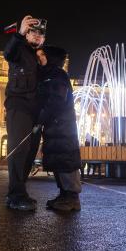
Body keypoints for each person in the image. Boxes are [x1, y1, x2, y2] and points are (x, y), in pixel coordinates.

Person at [3, 15, 46, 211]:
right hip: (18, 105)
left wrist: (44, 64)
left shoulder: (39, 57)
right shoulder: (19, 50)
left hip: (35, 111)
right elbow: (8, 53)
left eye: (40, 33)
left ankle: (20, 191)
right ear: (26, 33)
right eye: (33, 32)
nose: (37, 35)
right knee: (18, 150)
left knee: (29, 152)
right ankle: (15, 196)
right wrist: (19, 34)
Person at [35, 46, 82, 211]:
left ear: (51, 58)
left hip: (62, 128)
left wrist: (41, 118)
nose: (39, 59)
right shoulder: (51, 75)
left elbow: (57, 100)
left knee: (66, 161)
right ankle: (64, 195)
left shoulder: (57, 75)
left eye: (42, 56)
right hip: (56, 127)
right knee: (59, 162)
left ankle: (72, 198)